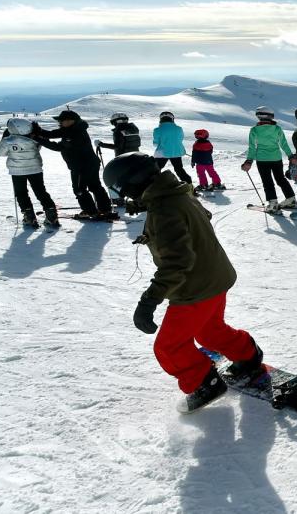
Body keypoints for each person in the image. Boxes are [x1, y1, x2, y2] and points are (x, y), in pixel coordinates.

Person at [103, 152, 264, 413]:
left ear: (130, 184)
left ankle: (204, 381)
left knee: (169, 347)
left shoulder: (164, 208)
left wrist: (149, 300)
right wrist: (154, 210)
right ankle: (247, 354)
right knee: (209, 330)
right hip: (216, 276)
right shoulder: (178, 192)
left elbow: (177, 262)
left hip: (194, 288)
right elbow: (203, 216)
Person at [35, 109, 115, 221]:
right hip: (90, 163)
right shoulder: (73, 129)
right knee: (94, 186)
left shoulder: (75, 133)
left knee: (79, 189)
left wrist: (37, 138)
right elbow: (54, 134)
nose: (61, 123)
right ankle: (105, 209)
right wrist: (39, 131)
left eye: (63, 121)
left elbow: (58, 147)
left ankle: (90, 211)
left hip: (81, 166)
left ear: (71, 121)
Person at [0, 118, 59, 227]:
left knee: (21, 193)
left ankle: (29, 216)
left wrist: (5, 142)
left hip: (17, 171)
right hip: (35, 169)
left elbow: (0, 153)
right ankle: (51, 215)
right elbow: (38, 148)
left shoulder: (7, 141)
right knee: (40, 191)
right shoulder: (33, 139)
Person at [241, 107, 297, 212]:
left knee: (267, 181)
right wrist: (290, 156)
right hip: (276, 158)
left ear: (259, 117)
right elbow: (284, 144)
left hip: (262, 160)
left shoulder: (254, 130)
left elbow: (252, 147)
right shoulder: (277, 129)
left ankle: (273, 204)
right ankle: (291, 199)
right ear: (271, 116)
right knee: (281, 179)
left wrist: (249, 161)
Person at [152, 111, 192, 184]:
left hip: (162, 153)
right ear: (172, 119)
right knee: (179, 169)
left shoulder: (157, 130)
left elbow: (155, 144)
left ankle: (153, 185)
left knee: (155, 170)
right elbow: (180, 139)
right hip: (176, 152)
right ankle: (189, 185)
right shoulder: (179, 129)